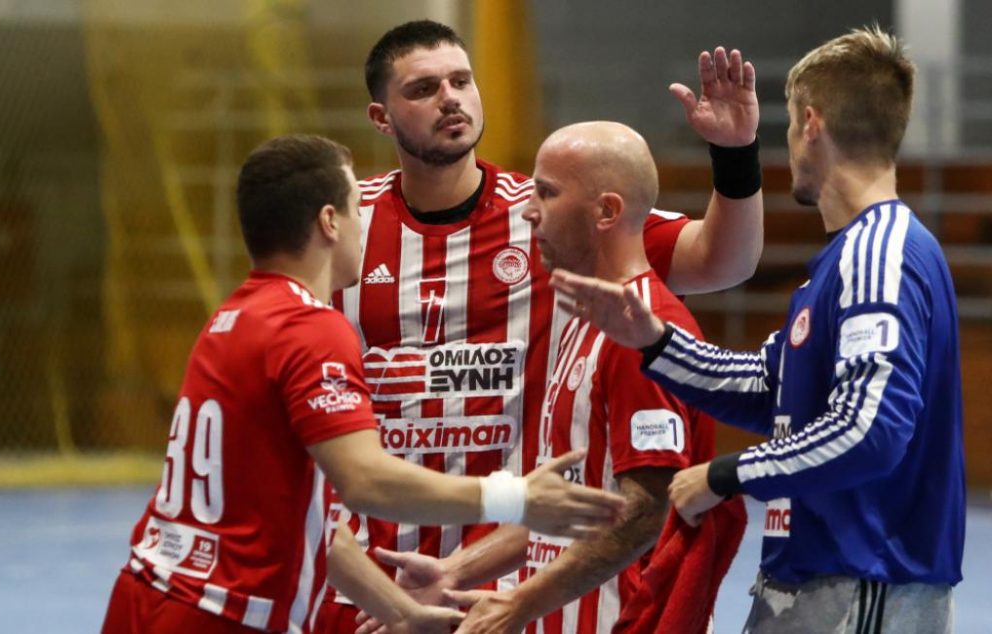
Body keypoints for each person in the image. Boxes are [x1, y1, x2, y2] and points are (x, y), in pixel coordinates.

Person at [318, 19, 764, 630]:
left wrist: (736, 155)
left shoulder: (550, 215)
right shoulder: (342, 230)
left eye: (461, 81)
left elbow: (723, 259)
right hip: (371, 580)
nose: (449, 98)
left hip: (510, 579)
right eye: (423, 89)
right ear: (381, 117)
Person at [100, 134, 627, 634]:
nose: (364, 225)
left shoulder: (234, 317)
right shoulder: (309, 326)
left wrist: (402, 613)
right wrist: (517, 497)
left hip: (148, 592)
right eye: (357, 209)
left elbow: (315, 521)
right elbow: (366, 481)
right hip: (220, 613)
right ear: (330, 222)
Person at [550, 26, 965, 633]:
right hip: (824, 583)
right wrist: (656, 343)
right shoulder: (850, 258)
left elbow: (870, 430)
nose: (789, 145)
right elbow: (769, 386)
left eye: (790, 126)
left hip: (862, 585)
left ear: (811, 125)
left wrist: (728, 474)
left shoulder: (878, 255)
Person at [378, 121, 747, 634]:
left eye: (547, 193)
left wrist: (518, 604)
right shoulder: (579, 322)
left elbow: (646, 510)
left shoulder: (641, 330)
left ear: (607, 211)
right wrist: (456, 571)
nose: (528, 211)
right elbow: (576, 505)